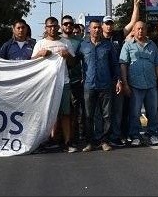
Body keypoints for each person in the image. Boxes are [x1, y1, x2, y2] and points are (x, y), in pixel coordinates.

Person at [32, 17, 77, 152]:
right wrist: (39, 54)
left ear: (58, 27)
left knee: (65, 113)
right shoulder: (40, 44)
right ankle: (47, 140)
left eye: (54, 26)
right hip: (45, 83)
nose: (52, 28)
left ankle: (67, 142)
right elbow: (31, 63)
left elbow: (73, 63)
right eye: (49, 26)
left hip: (63, 82)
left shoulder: (66, 42)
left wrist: (67, 55)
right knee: (46, 113)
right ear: (45, 28)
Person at [105, 0, 141, 146]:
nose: (109, 26)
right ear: (101, 26)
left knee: (119, 111)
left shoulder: (119, 35)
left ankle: (117, 135)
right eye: (106, 23)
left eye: (111, 23)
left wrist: (136, 4)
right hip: (103, 80)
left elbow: (133, 22)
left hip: (119, 78)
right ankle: (104, 137)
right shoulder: (97, 39)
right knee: (105, 112)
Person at [120, 21, 158, 146]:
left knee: (153, 111)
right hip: (134, 86)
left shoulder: (152, 45)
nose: (140, 31)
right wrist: (125, 84)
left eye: (143, 29)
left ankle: (153, 134)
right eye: (138, 29)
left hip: (151, 85)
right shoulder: (127, 45)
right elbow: (123, 65)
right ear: (133, 31)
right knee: (135, 112)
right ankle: (135, 135)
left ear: (146, 31)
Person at [78, 20, 119, 152]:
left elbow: (115, 64)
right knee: (88, 115)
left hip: (105, 85)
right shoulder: (83, 45)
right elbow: (75, 62)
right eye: (94, 28)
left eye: (98, 28)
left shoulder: (108, 45)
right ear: (89, 29)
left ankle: (104, 141)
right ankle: (90, 142)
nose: (96, 30)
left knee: (106, 115)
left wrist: (118, 80)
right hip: (89, 86)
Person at [61, 14, 85, 150]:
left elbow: (83, 60)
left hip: (76, 81)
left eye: (70, 24)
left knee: (75, 112)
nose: (68, 26)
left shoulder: (80, 41)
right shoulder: (56, 40)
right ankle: (59, 139)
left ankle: (74, 139)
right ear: (61, 25)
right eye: (65, 24)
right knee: (61, 113)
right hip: (59, 82)